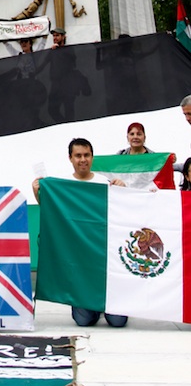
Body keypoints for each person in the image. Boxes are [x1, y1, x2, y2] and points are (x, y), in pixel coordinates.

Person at [33, 138, 127, 328]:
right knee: (84, 321)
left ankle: (108, 305)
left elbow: (122, 215)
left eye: (86, 155)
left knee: (118, 322)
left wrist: (123, 192)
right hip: (80, 266)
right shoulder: (62, 184)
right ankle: (91, 306)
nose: (82, 159)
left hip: (104, 260)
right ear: (70, 158)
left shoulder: (105, 183)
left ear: (92, 157)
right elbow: (52, 215)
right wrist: (38, 193)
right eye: (78, 156)